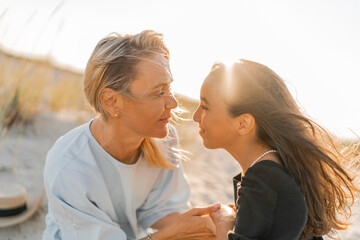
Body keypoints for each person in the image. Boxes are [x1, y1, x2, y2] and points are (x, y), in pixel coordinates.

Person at [42, 30, 220, 240]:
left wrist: (206, 221)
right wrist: (166, 236)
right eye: (158, 92)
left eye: (169, 88)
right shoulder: (69, 167)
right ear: (112, 101)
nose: (172, 103)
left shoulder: (165, 138)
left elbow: (162, 210)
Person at [193, 59, 360, 240]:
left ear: (243, 123)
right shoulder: (277, 172)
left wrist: (224, 220)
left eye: (205, 107)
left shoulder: (264, 180)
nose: (196, 116)